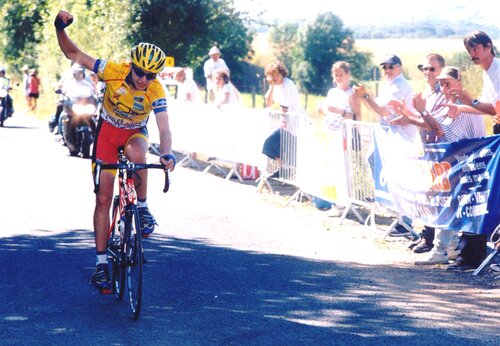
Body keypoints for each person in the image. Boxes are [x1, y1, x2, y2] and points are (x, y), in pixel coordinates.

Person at [54, 10, 176, 293]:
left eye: (151, 74)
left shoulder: (156, 90)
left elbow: (165, 128)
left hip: (135, 133)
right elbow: (74, 54)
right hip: (107, 135)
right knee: (104, 200)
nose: (145, 79)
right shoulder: (112, 71)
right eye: (140, 72)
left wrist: (167, 154)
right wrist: (60, 29)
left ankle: (142, 208)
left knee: (137, 153)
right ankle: (101, 266)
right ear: (131, 66)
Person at [390, 66, 487, 267]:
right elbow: (432, 125)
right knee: (450, 205)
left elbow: (441, 131)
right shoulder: (449, 103)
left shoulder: (462, 105)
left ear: (459, 83)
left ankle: (443, 250)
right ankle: (447, 248)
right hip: (458, 164)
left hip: (466, 164)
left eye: (448, 83)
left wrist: (422, 110)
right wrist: (411, 116)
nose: (444, 87)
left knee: (452, 205)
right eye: (441, 83)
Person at [355, 54, 418, 236]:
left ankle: (405, 221)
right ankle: (391, 204)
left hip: (401, 134)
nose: (387, 70)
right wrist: (365, 97)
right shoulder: (388, 85)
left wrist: (366, 96)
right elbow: (378, 112)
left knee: (400, 175)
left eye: (391, 67)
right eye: (384, 67)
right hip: (388, 133)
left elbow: (383, 111)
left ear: (400, 68)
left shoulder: (401, 86)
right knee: (373, 159)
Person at [406, 53, 446, 254]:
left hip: (440, 150)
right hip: (427, 150)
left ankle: (432, 240)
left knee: (435, 195)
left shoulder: (442, 93)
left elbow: (432, 124)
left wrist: (409, 118)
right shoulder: (425, 93)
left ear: (441, 70)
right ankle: (426, 235)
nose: (427, 72)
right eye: (424, 69)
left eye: (432, 69)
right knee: (426, 194)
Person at [261, 61, 303, 178]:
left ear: (282, 74)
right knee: (270, 144)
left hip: (294, 122)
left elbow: (285, 107)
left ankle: (287, 170)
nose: (275, 78)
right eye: (272, 75)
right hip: (286, 122)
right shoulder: (274, 86)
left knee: (292, 148)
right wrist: (272, 86)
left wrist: (283, 121)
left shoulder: (288, 84)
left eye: (277, 75)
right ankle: (283, 168)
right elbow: (268, 103)